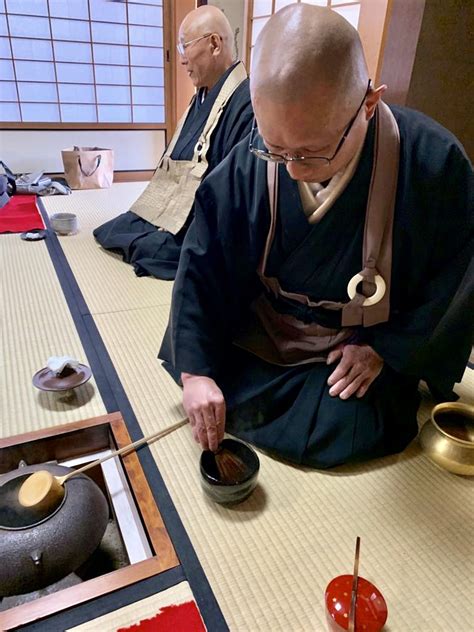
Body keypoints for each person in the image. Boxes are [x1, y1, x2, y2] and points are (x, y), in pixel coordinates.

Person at [159, 4, 473, 468]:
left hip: (356, 345)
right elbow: (204, 259)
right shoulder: (255, 155)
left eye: (310, 153)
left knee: (352, 424)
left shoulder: (433, 163)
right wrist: (195, 374)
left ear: (368, 103)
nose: (291, 168)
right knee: (206, 377)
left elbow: (457, 276)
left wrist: (385, 350)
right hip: (264, 328)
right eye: (275, 148)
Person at [93, 5, 253, 280]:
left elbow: (234, 183)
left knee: (156, 249)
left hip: (205, 215)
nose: (181, 60)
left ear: (215, 44)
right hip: (181, 203)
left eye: (185, 47)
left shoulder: (245, 102)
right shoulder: (202, 96)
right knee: (119, 228)